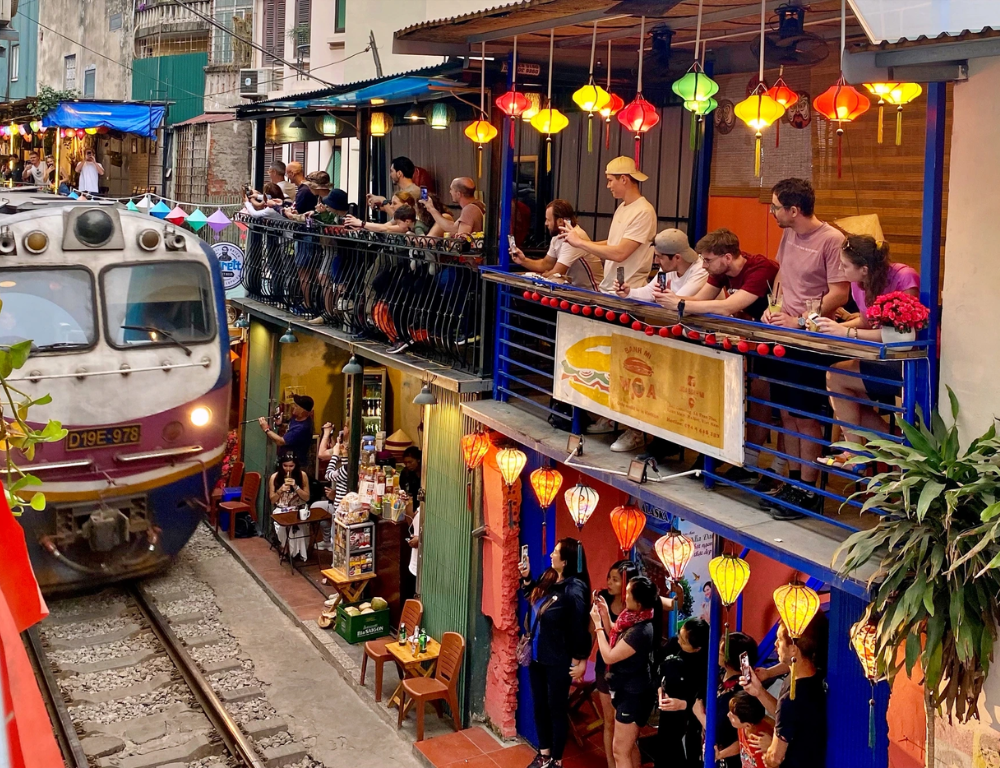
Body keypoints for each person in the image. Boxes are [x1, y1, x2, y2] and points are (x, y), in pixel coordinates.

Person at [656, 228, 783, 490]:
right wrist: (669, 299)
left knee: (780, 408)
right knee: (758, 401)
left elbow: (729, 306)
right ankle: (749, 464)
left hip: (778, 342)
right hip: (754, 343)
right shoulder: (720, 270)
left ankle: (779, 469)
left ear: (727, 257)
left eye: (708, 260)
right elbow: (700, 299)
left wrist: (680, 305)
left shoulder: (761, 268)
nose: (704, 265)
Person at [760, 178, 849, 519]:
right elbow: (783, 275)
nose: (772, 212)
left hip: (810, 339)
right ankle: (794, 480)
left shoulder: (831, 240)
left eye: (775, 207)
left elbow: (839, 293)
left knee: (806, 415)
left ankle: (811, 490)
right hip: (785, 333)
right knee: (786, 411)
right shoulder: (789, 234)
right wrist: (775, 305)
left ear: (793, 210)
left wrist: (801, 320)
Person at [814, 235, 919, 467]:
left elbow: (899, 334)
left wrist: (846, 333)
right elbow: (866, 320)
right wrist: (833, 329)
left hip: (910, 360)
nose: (841, 270)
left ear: (864, 269)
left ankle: (895, 453)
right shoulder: (858, 284)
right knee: (839, 380)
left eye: (845, 266)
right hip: (883, 356)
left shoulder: (904, 278)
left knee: (842, 379)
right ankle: (864, 451)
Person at [518, 538, 592, 768]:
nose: (551, 555)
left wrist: (580, 658)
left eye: (556, 552)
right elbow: (532, 597)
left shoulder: (575, 589)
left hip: (558, 660)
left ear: (566, 561)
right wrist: (527, 577)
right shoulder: (549, 577)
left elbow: (580, 627)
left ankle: (556, 761)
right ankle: (544, 754)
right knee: (539, 706)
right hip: (537, 656)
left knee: (556, 709)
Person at [560, 156, 656, 296]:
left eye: (610, 180)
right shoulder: (623, 207)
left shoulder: (644, 211)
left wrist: (581, 243)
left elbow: (620, 253)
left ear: (623, 179)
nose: (608, 186)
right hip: (610, 288)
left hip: (628, 291)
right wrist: (582, 244)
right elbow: (613, 242)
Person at [741, 617, 826, 768]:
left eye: (779, 640)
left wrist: (769, 749)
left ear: (793, 649)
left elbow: (775, 758)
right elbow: (788, 717)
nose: (775, 644)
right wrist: (759, 691)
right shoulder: (814, 673)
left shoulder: (791, 698)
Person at [593, 576, 659, 768]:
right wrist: (605, 614)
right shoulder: (632, 617)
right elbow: (615, 631)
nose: (625, 595)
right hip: (626, 689)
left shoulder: (642, 630)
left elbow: (609, 656)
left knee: (620, 751)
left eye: (628, 592)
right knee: (629, 747)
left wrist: (597, 625)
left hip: (634, 694)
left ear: (638, 603)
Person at [595, 561, 640, 768]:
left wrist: (677, 592)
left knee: (627, 730)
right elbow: (594, 632)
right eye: (609, 578)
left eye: (615, 579)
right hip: (605, 668)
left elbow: (673, 604)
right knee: (609, 722)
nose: (609, 583)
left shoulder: (639, 608)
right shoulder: (602, 598)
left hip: (628, 674)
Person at [693, 631, 758, 768]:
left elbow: (720, 730)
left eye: (721, 653)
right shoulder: (719, 674)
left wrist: (699, 714)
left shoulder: (739, 693)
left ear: (730, 660)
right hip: (706, 747)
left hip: (726, 757)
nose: (717, 653)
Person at [511, 199, 604, 292]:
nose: (546, 223)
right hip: (575, 291)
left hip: (592, 294)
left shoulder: (574, 238)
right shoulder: (557, 236)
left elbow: (557, 273)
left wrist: (540, 275)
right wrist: (523, 260)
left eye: (548, 220)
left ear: (560, 221)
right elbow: (546, 264)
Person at [656, 617, 709, 768]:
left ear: (697, 648)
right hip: (667, 714)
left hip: (689, 723)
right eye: (680, 634)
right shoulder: (673, 644)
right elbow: (658, 669)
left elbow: (704, 698)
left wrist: (684, 704)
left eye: (684, 641)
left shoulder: (705, 664)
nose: (679, 640)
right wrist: (659, 688)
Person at [615, 228, 708, 303]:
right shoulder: (668, 267)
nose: (656, 261)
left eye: (659, 257)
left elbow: (675, 303)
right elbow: (650, 292)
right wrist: (629, 293)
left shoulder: (702, 270)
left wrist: (661, 297)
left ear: (677, 258)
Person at [312, 423, 349, 551]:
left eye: (344, 426)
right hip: (339, 499)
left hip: (341, 506)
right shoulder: (346, 463)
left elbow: (321, 454)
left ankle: (332, 548)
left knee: (338, 539)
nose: (342, 428)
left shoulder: (346, 468)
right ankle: (327, 541)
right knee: (316, 507)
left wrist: (327, 433)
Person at [268, 454, 311, 560]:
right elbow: (272, 500)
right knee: (283, 524)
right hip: (281, 508)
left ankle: (298, 551)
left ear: (295, 466)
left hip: (297, 508)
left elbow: (307, 498)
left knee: (300, 524)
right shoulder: (275, 477)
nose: (288, 468)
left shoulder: (302, 475)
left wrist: (296, 487)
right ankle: (285, 547)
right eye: (285, 465)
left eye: (291, 466)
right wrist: (280, 490)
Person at [259, 394, 314, 471]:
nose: (293, 406)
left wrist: (266, 429)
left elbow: (280, 441)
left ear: (303, 410)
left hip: (295, 466)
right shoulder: (296, 417)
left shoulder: (302, 428)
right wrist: (280, 424)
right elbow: (289, 428)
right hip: (285, 461)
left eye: (296, 406)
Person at [418, 177, 485, 236]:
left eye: (451, 189)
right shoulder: (478, 205)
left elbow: (462, 240)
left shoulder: (469, 210)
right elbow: (452, 227)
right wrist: (431, 208)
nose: (450, 192)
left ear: (458, 194)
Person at [728, 692, 774, 768]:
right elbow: (741, 745)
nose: (728, 715)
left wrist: (771, 748)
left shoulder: (764, 740)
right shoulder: (743, 726)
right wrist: (720, 754)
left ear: (748, 725)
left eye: (733, 717)